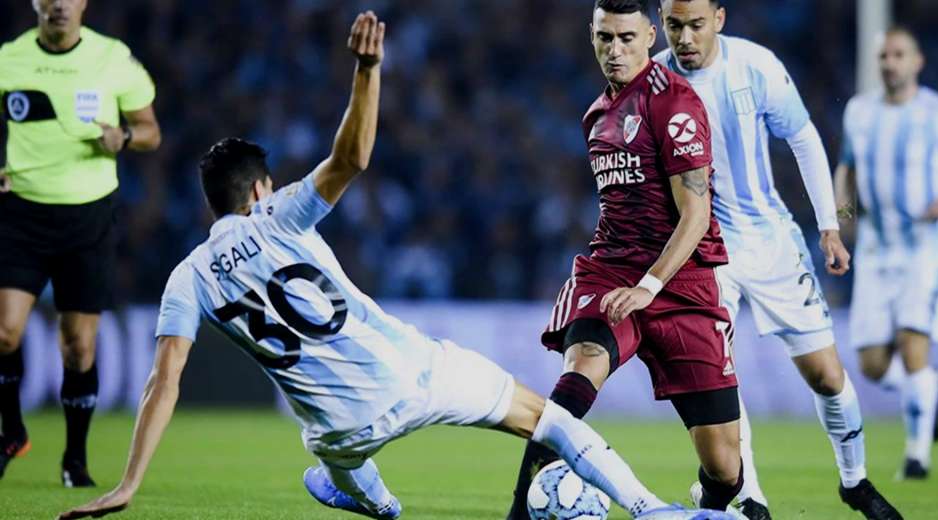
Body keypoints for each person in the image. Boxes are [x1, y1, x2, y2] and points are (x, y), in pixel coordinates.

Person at [58, 13, 727, 520]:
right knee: (547, 418)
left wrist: (127, 485)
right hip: (416, 376)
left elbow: (162, 381)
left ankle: (376, 501)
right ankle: (652, 510)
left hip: (339, 430)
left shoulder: (187, 276)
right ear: (261, 189)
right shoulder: (281, 213)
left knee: (331, 464)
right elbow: (350, 160)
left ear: (210, 206)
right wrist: (367, 71)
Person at [651, 1, 903, 519]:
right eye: (674, 26)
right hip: (703, 250)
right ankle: (752, 497)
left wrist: (829, 226)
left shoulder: (756, 65)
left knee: (827, 376)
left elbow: (803, 137)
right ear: (662, 21)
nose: (685, 37)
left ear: (719, 18)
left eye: (696, 25)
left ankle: (854, 482)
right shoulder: (653, 81)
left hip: (771, 241)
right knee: (722, 377)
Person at [507, 1, 746, 517]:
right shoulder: (596, 114)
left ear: (650, 36)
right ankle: (519, 513)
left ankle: (708, 501)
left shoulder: (675, 104)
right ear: (591, 36)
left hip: (681, 283)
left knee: (726, 466)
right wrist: (631, 284)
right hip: (611, 272)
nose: (614, 50)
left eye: (626, 38)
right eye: (604, 38)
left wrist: (651, 286)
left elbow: (696, 216)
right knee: (582, 367)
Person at [0, 0, 161, 486]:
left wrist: (125, 135)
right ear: (35, 4)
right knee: (4, 332)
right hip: (21, 211)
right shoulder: (9, 58)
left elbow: (153, 132)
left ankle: (74, 458)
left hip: (87, 216)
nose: (59, 5)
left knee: (78, 347)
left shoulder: (113, 58)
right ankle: (11, 431)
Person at [834, 27, 938, 481]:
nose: (889, 62)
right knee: (869, 363)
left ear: (917, 62)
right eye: (884, 55)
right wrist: (843, 214)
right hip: (875, 246)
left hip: (926, 250)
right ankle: (927, 389)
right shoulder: (860, 112)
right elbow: (845, 169)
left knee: (913, 346)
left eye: (898, 54)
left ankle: (916, 457)